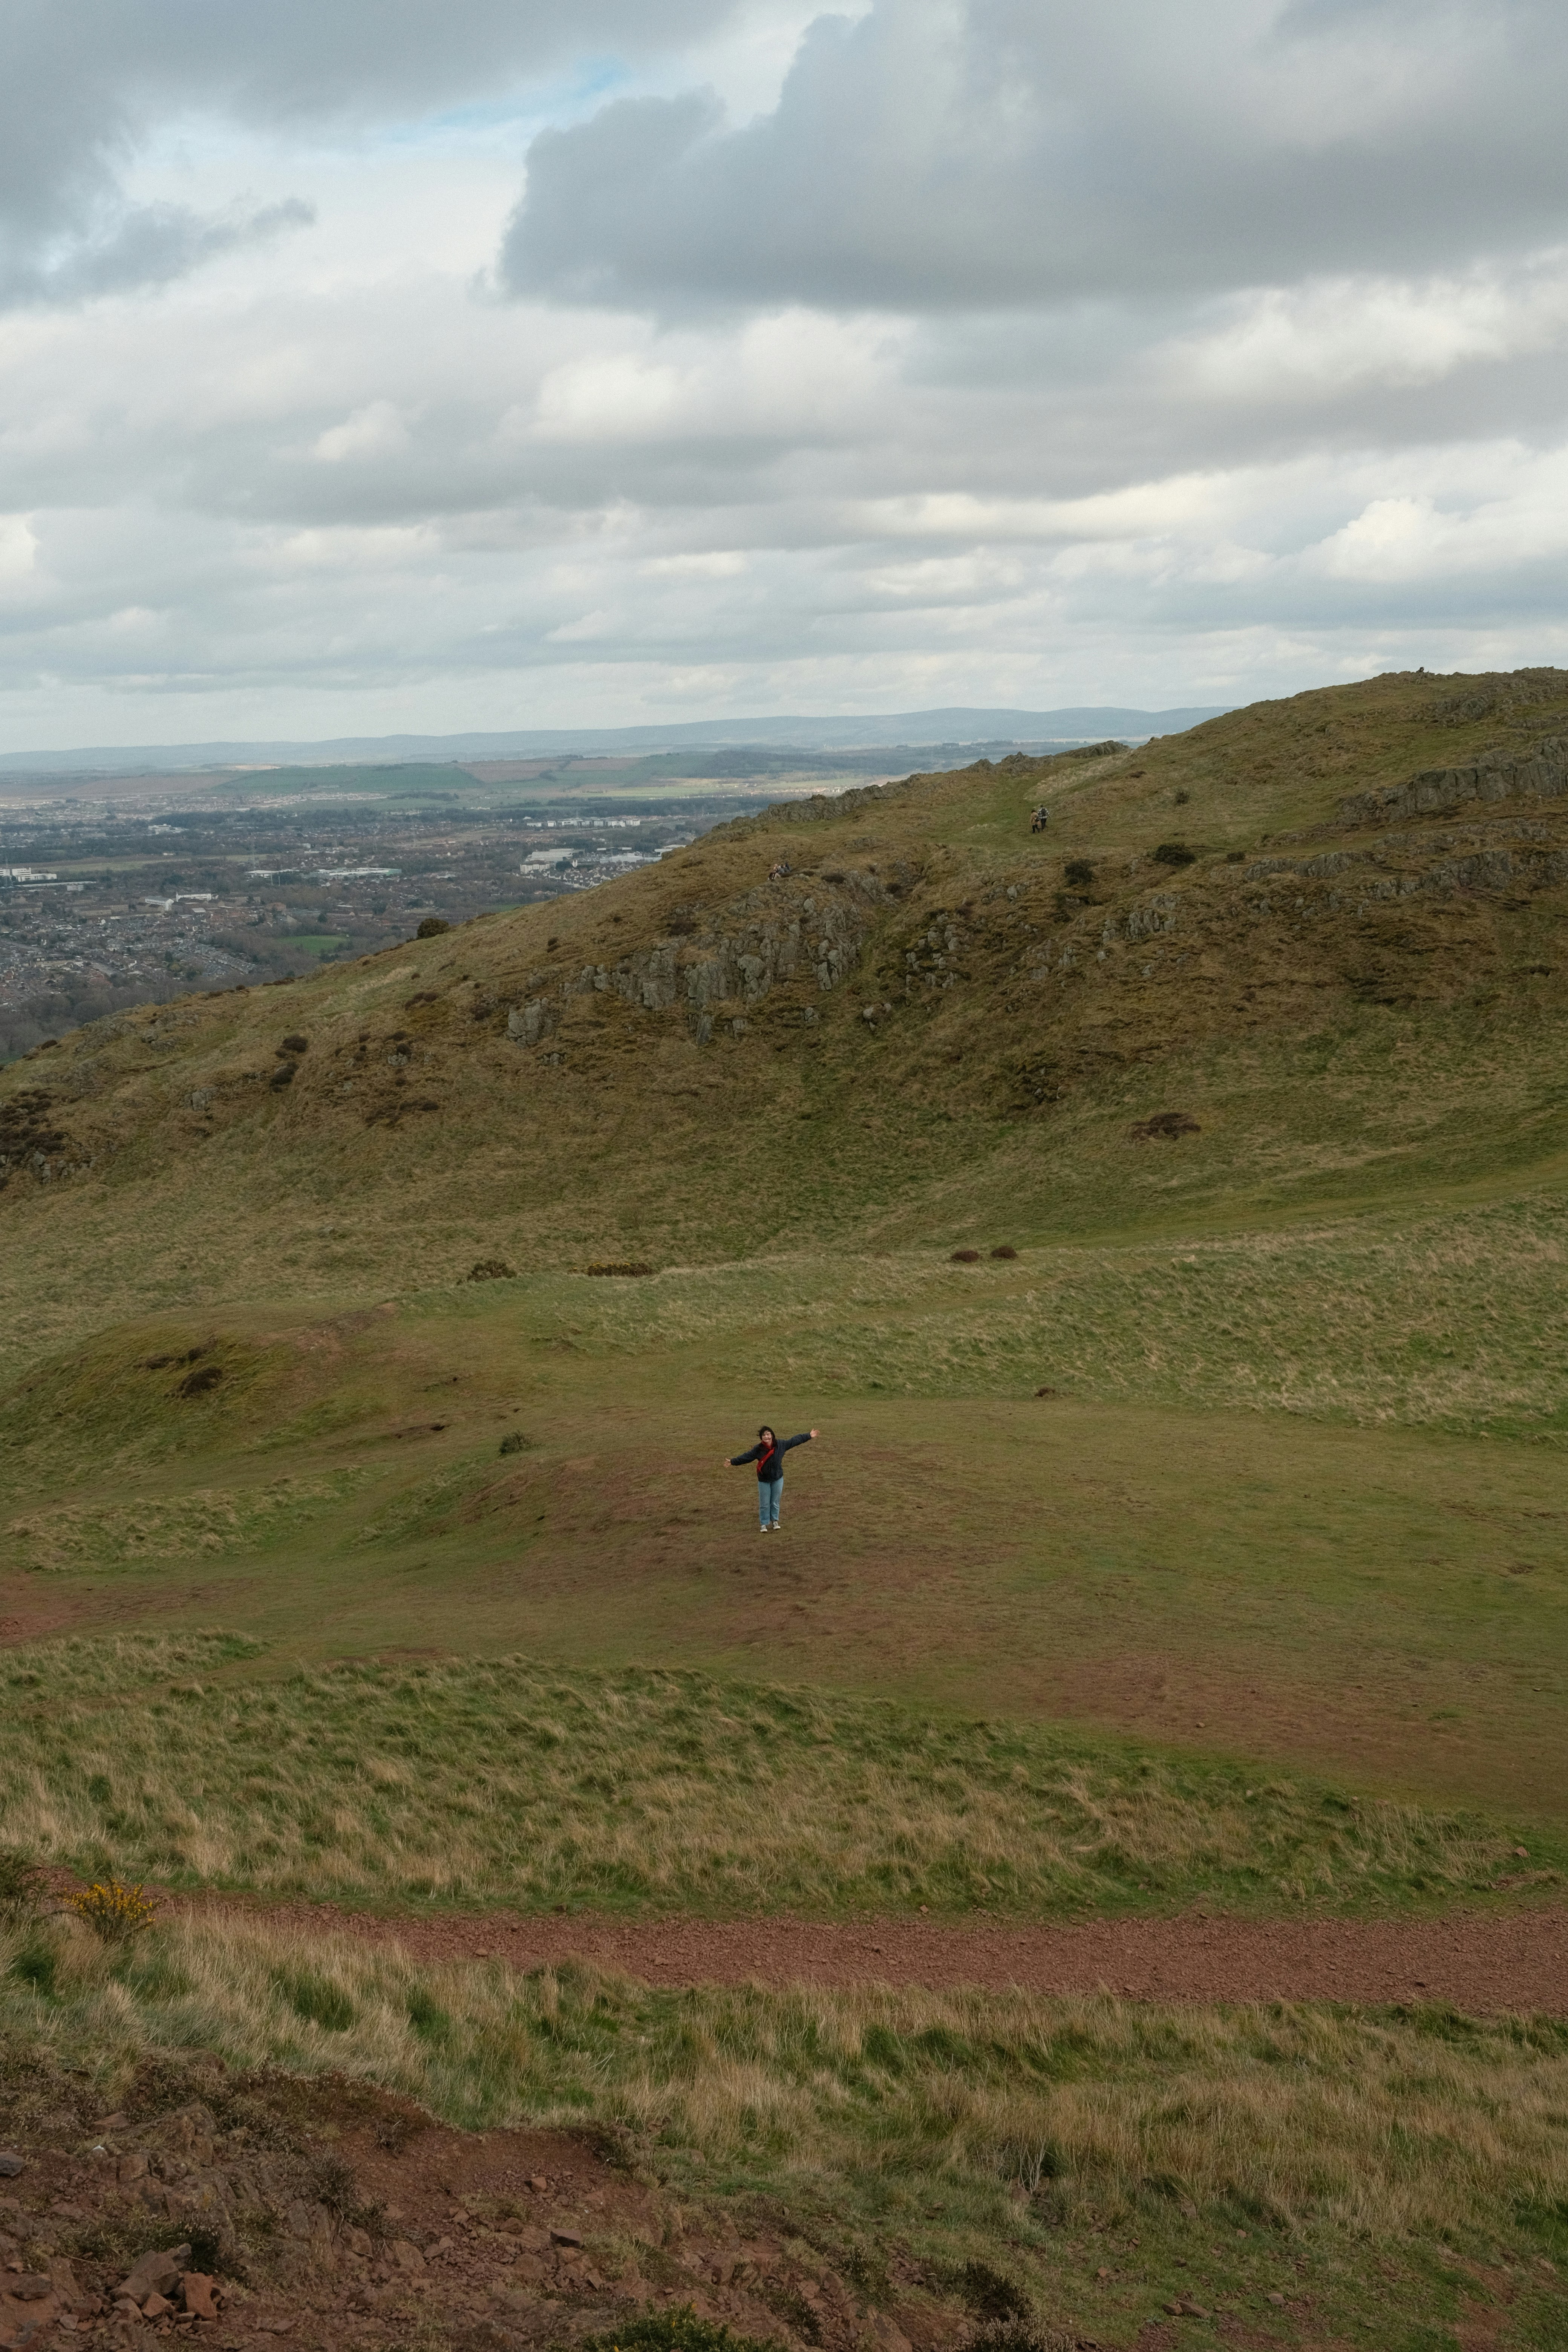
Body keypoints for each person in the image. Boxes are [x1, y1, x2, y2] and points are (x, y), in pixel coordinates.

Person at [724, 1424, 819, 1531]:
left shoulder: (781, 1445)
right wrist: (733, 1462)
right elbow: (747, 1457)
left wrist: (809, 1436)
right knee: (765, 1503)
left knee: (775, 1502)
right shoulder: (758, 1449)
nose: (766, 1437)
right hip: (764, 1480)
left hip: (778, 1478)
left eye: (768, 1434)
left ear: (772, 1435)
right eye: (764, 1435)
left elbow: (794, 1441)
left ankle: (775, 1521)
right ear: (762, 1438)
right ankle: (764, 1523)